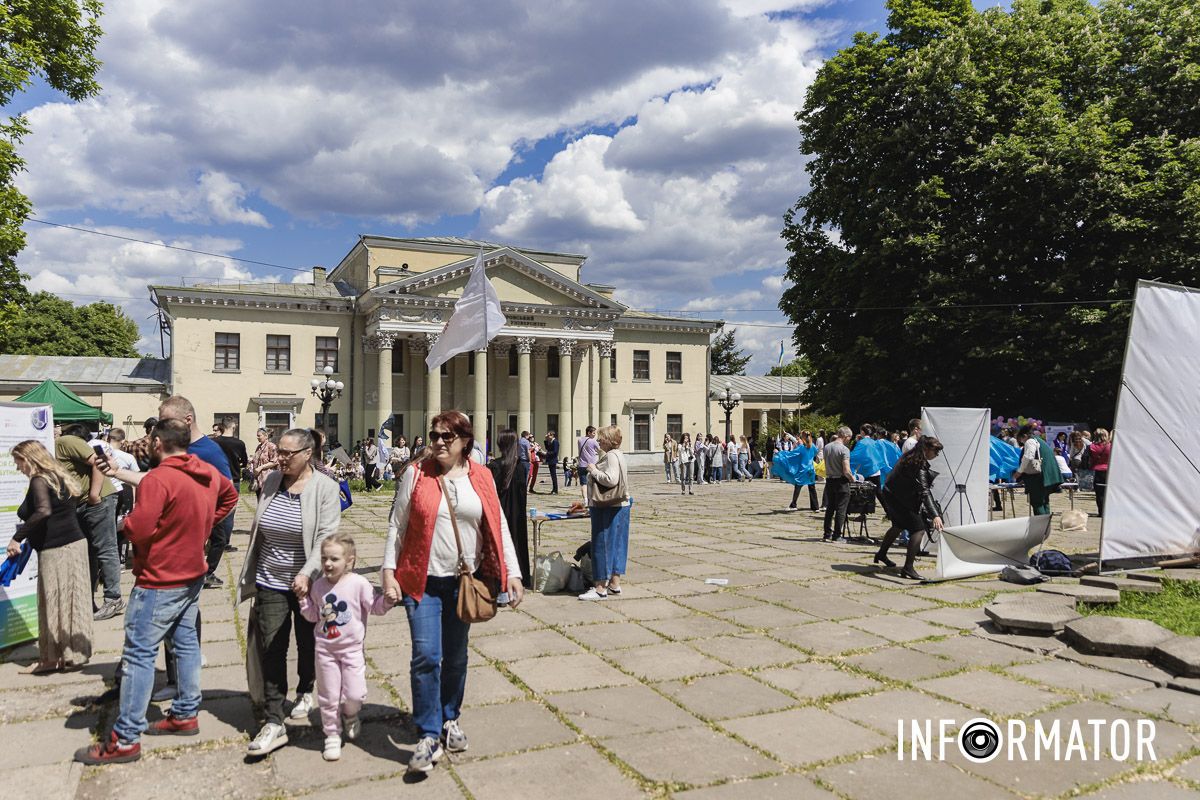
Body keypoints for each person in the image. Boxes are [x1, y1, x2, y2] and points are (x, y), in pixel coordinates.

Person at [75, 418, 238, 765]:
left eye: (150, 440)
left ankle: (125, 739)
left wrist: (125, 524)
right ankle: (184, 713)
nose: (148, 444)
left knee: (138, 656)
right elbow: (230, 495)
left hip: (160, 579)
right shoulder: (204, 470)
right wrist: (203, 526)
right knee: (187, 646)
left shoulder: (159, 479)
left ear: (159, 443)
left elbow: (141, 528)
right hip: (192, 573)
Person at [381, 410, 524, 775]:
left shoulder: (482, 477)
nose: (439, 442)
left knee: (456, 657)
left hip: (464, 582)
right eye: (435, 435)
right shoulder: (416, 474)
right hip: (421, 579)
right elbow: (397, 526)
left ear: (465, 441)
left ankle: (449, 718)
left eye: (448, 436)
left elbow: (498, 524)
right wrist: (387, 571)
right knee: (427, 656)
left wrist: (512, 573)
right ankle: (428, 733)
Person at [239, 428, 342, 756]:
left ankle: (306, 688)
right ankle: (273, 720)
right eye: (278, 451)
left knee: (308, 641)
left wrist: (307, 573)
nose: (279, 457)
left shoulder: (325, 487)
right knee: (272, 647)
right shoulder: (270, 482)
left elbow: (326, 535)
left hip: (308, 584)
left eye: (287, 453)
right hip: (270, 580)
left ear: (307, 454)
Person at [298, 533, 392, 761]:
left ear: (350, 560)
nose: (328, 564)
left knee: (355, 694)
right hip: (325, 651)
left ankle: (350, 714)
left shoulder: (359, 584)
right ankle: (331, 734)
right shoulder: (318, 586)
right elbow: (313, 616)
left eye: (334, 559)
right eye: (324, 558)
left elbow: (375, 607)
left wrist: (388, 600)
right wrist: (303, 600)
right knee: (328, 695)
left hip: (352, 651)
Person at [7, 440, 93, 674]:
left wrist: (18, 537)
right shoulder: (59, 476)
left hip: (56, 550)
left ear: (29, 459)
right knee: (71, 602)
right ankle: (72, 654)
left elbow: (43, 511)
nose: (18, 468)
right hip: (74, 544)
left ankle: (50, 659)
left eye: (19, 462)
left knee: (52, 603)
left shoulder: (39, 480)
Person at [157, 397, 234, 590]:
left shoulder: (210, 451)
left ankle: (208, 573)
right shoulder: (169, 447)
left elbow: (230, 494)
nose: (162, 427)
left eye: (167, 421)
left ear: (188, 420)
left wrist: (206, 521)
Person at [57, 423, 123, 620]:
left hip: (97, 499)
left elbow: (99, 462)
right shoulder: (56, 445)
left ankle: (113, 599)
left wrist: (94, 494)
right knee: (89, 553)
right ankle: (88, 602)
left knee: (105, 549)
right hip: (83, 503)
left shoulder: (66, 441)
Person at [873, 435, 945, 581]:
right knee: (918, 529)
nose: (937, 455)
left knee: (899, 525)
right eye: (935, 451)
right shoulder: (918, 465)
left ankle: (881, 554)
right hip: (897, 497)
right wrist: (935, 515)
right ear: (926, 449)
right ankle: (908, 568)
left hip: (892, 494)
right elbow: (925, 492)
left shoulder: (911, 456)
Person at [578, 425, 631, 601]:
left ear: (609, 440)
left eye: (601, 438)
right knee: (617, 545)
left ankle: (600, 588)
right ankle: (615, 584)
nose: (598, 441)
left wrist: (593, 470)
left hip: (607, 507)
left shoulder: (610, 457)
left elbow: (611, 479)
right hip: (620, 505)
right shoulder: (619, 455)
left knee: (602, 545)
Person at [488, 429, 531, 587]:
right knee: (517, 542)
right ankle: (521, 574)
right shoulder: (520, 467)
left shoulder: (495, 466)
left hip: (500, 513)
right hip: (517, 514)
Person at [1013, 424, 1063, 516]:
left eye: (1021, 440)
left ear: (1024, 436)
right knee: (1045, 502)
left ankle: (1040, 527)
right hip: (1048, 476)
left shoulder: (1030, 441)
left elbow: (1028, 457)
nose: (1022, 443)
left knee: (1037, 503)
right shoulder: (1039, 440)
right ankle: (1046, 526)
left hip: (1039, 478)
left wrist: (1019, 471)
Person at [822, 427, 853, 541]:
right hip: (841, 481)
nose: (849, 440)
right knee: (841, 509)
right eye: (849, 438)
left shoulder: (827, 447)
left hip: (829, 480)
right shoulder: (844, 450)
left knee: (830, 508)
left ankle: (827, 534)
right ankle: (837, 535)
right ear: (846, 436)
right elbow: (846, 470)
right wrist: (852, 478)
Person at [787, 431, 820, 512]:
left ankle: (793, 505)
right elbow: (816, 452)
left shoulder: (802, 447)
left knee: (798, 486)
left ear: (803, 437)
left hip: (803, 469)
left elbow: (792, 454)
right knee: (812, 488)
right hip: (811, 469)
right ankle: (815, 507)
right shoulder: (812, 446)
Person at [211, 420, 249, 489]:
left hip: (217, 478)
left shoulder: (213, 442)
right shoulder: (239, 443)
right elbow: (244, 462)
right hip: (234, 478)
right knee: (233, 499)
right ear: (233, 427)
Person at [1086, 428, 1112, 516]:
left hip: (1096, 471)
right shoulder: (1111, 446)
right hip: (1110, 471)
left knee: (1099, 493)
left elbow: (1086, 459)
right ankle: (1110, 511)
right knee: (1110, 492)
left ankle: (1101, 512)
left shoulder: (1091, 447)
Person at [252, 428, 278, 498]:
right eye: (257, 436)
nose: (257, 437)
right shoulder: (259, 447)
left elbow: (275, 462)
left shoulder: (271, 446)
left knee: (266, 502)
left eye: (259, 436)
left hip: (267, 479)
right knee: (259, 502)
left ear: (266, 436)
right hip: (258, 479)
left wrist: (261, 467)